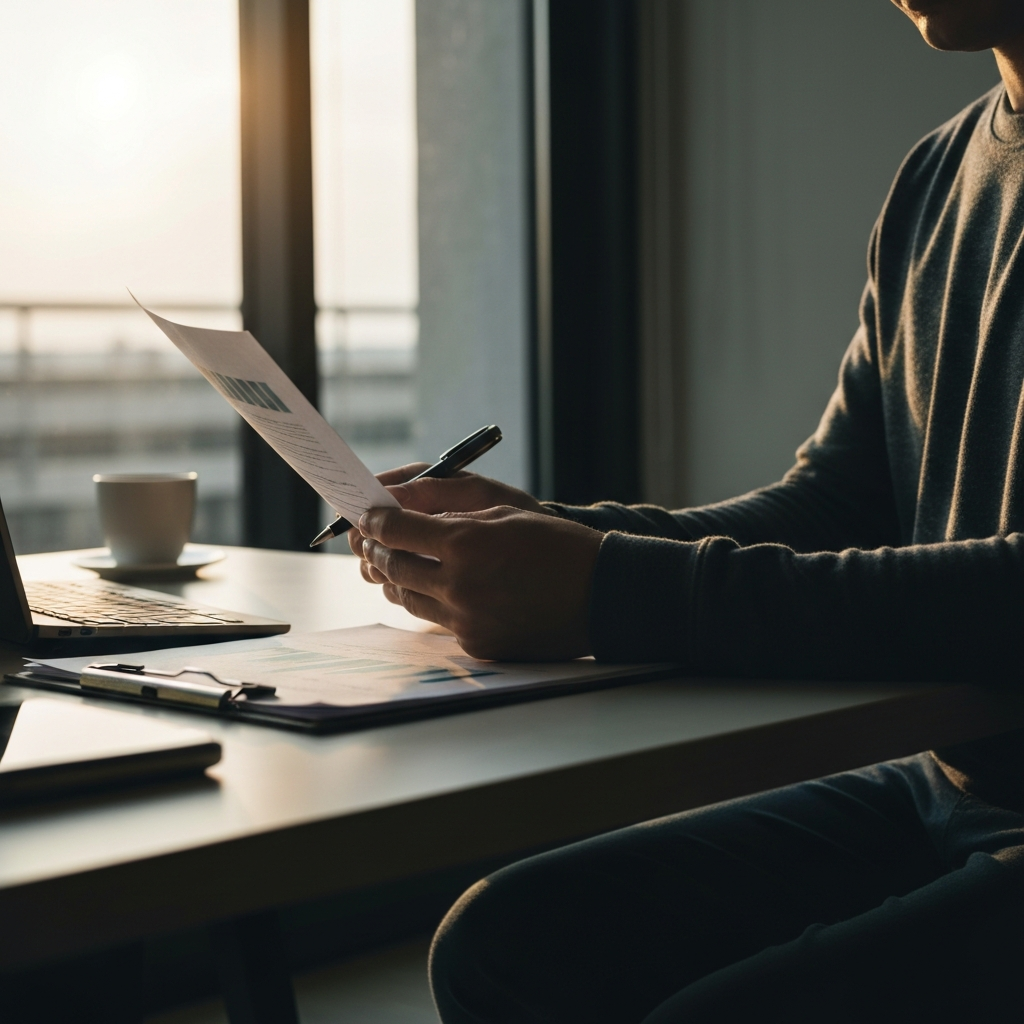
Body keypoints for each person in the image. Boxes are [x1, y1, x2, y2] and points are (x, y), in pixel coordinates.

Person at [348, 1, 1024, 1019]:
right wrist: (560, 539)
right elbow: (835, 504)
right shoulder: (938, 173)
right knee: (506, 941)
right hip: (952, 783)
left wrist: (608, 586)